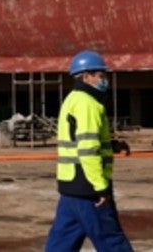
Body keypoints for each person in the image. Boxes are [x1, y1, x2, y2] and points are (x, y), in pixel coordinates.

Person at [45, 50, 133, 252]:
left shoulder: (72, 99)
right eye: (101, 76)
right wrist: (100, 187)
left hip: (70, 186)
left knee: (62, 242)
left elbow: (79, 140)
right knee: (112, 241)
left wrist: (112, 145)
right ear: (86, 76)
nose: (105, 80)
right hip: (89, 188)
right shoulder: (89, 103)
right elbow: (87, 149)